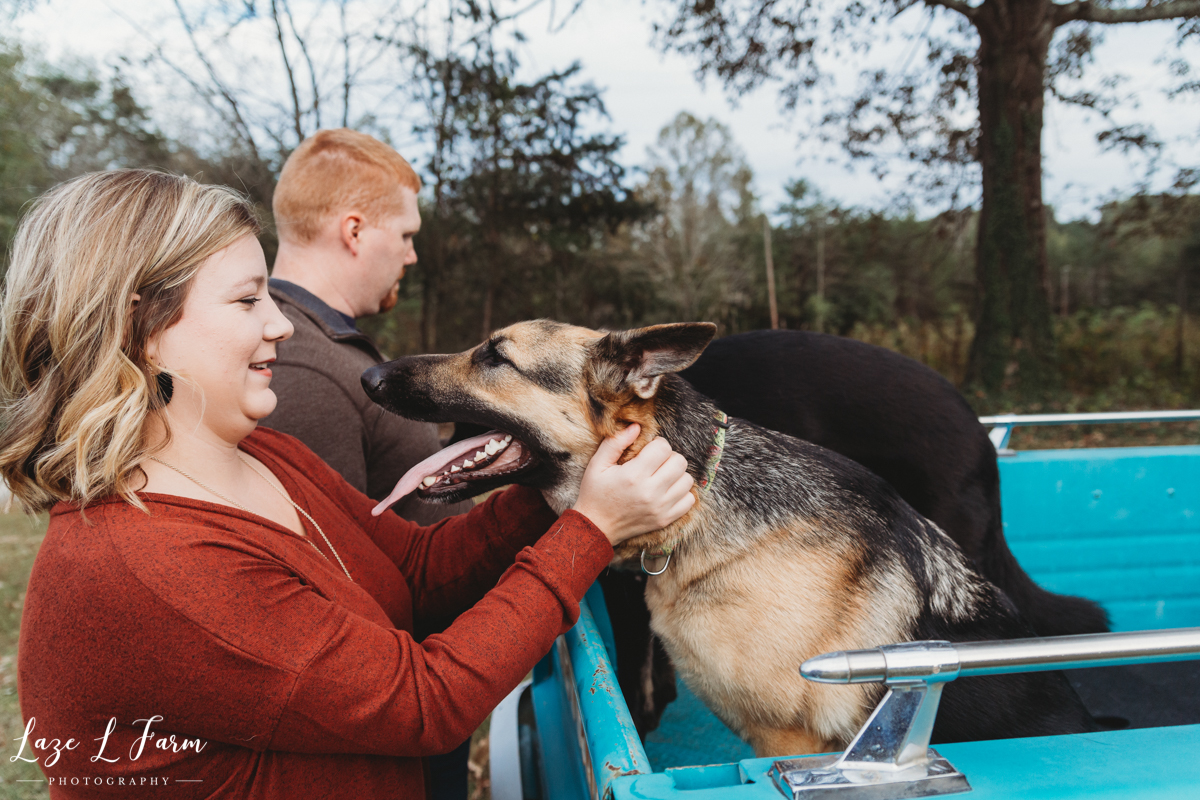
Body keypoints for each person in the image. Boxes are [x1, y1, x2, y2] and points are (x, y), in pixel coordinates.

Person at [2, 170, 696, 799]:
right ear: (140, 325)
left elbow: (419, 575)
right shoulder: (147, 565)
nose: (279, 325)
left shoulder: (264, 455)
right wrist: (590, 530)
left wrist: (562, 467)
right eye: (247, 301)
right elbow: (425, 702)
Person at [262, 129, 468, 527]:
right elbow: (336, 564)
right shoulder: (303, 371)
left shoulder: (329, 343)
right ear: (354, 231)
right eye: (406, 235)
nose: (411, 256)